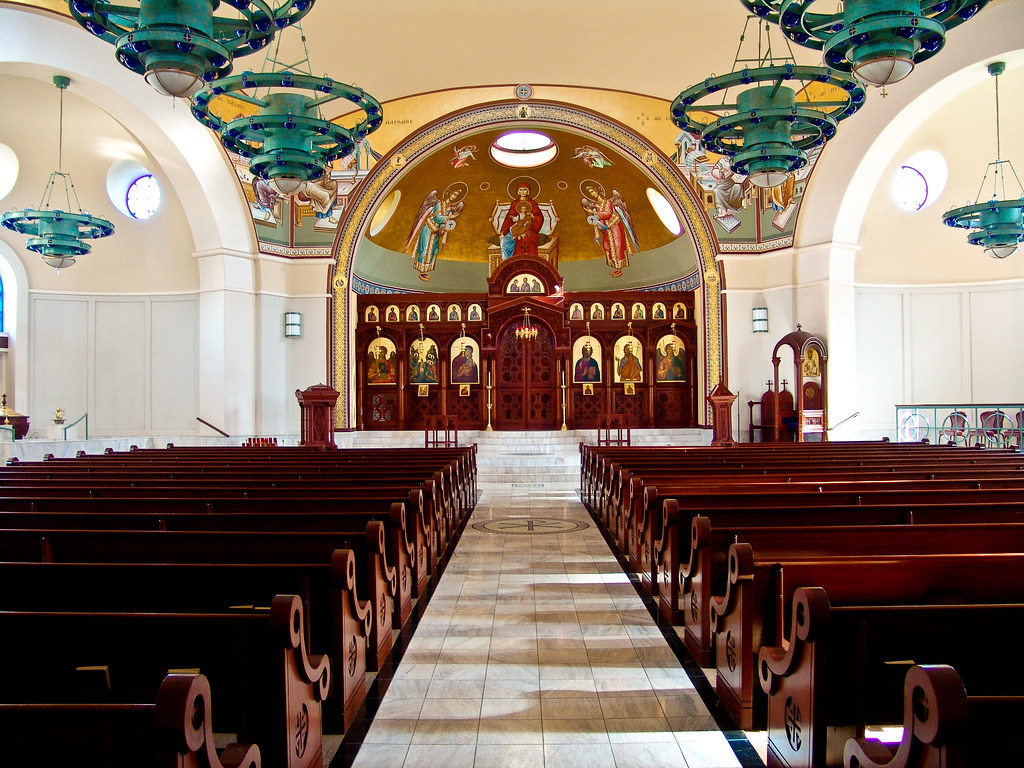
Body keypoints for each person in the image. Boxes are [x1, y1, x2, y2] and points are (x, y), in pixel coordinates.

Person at [404, 183, 468, 280]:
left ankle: (426, 269)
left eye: (457, 196)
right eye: (454, 194)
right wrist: (449, 217)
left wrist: (444, 228)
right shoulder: (439, 204)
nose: (455, 197)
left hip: (436, 231)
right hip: (428, 228)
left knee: (434, 249)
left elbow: (444, 222)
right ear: (450, 193)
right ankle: (421, 270)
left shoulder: (450, 208)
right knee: (424, 249)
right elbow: (438, 218)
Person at [581, 181, 639, 277]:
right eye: (590, 193)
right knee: (607, 246)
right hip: (607, 229)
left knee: (617, 247)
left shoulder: (608, 202)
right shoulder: (597, 205)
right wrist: (597, 224)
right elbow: (601, 219)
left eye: (593, 191)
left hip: (615, 226)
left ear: (597, 190)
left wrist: (593, 212)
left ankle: (619, 268)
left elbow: (608, 214)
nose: (592, 194)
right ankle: (615, 266)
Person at [499, 182, 544, 259]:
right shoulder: (515, 203)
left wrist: (533, 217)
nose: (523, 192)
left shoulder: (532, 203)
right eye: (521, 190)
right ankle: (507, 262)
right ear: (518, 192)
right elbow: (508, 218)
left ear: (528, 191)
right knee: (504, 243)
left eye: (525, 190)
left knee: (525, 239)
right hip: (514, 228)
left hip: (528, 228)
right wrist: (503, 231)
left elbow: (540, 217)